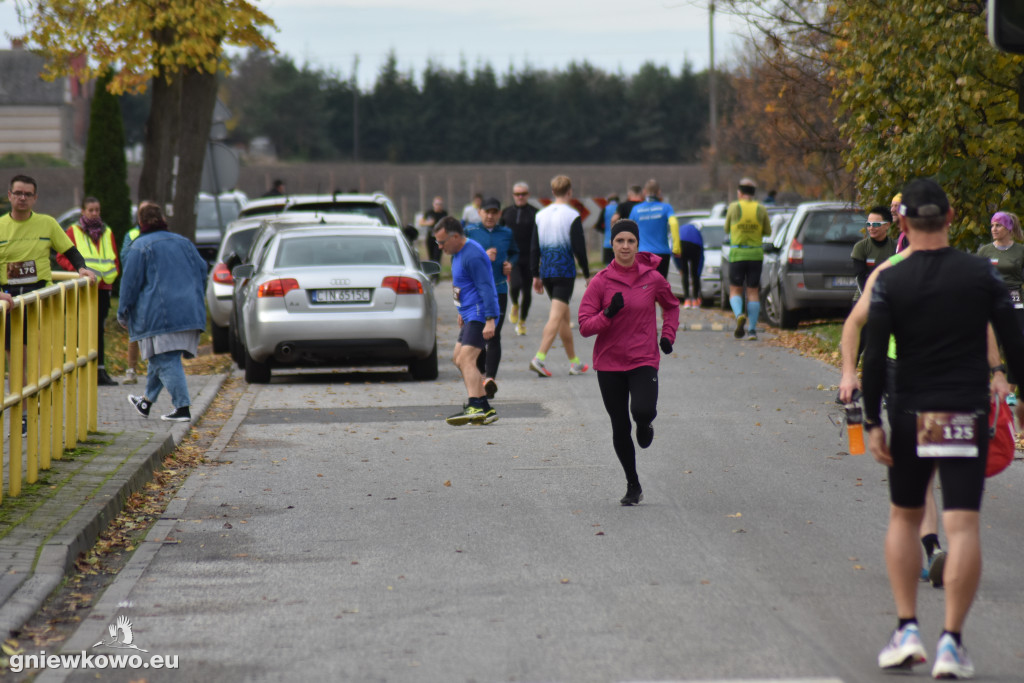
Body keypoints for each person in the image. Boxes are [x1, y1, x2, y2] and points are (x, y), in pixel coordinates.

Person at [862, 178, 1024, 678]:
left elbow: (874, 354)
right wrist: (1014, 393)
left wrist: (870, 420)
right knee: (963, 524)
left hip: (911, 412)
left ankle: (907, 628)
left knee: (905, 518)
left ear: (903, 224)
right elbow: (1014, 343)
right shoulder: (983, 274)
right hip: (965, 413)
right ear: (951, 218)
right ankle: (951, 641)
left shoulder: (891, 277)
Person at [579, 219, 679, 505]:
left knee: (643, 410)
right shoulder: (601, 282)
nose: (625, 246)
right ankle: (633, 484)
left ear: (637, 245)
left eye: (630, 241)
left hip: (643, 358)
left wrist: (668, 336)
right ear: (612, 244)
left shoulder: (653, 278)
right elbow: (585, 326)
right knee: (619, 425)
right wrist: (608, 313)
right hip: (609, 364)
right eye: (620, 241)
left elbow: (671, 307)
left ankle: (645, 425)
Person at [118, 204, 207, 423]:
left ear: (140, 222)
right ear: (163, 219)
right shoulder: (184, 242)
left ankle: (182, 408)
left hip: (158, 315)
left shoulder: (139, 247)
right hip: (189, 311)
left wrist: (123, 312)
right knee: (161, 357)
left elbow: (130, 284)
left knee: (164, 359)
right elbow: (203, 269)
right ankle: (146, 402)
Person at [432, 216, 499, 426]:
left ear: (455, 236)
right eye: (437, 243)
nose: (440, 247)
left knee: (466, 359)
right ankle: (485, 409)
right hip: (469, 312)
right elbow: (463, 284)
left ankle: (475, 405)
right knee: (457, 358)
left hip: (480, 313)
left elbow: (486, 287)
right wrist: (460, 308)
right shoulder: (457, 253)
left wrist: (490, 319)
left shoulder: (473, 254)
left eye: (442, 242)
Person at [528, 175, 591, 378]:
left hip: (546, 271)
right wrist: (587, 273)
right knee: (556, 316)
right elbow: (579, 248)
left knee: (563, 317)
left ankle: (575, 363)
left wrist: (535, 274)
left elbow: (534, 247)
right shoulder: (572, 215)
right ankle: (539, 357)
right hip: (564, 271)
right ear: (570, 192)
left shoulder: (540, 215)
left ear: (553, 192)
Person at [55, 197, 121, 386]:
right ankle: (80, 369)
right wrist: (77, 271)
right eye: (91, 210)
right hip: (83, 287)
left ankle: (100, 370)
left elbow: (113, 257)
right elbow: (62, 256)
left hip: (103, 287)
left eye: (97, 210)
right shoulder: (73, 231)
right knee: (81, 329)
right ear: (83, 211)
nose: (94, 213)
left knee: (99, 329)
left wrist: (113, 274)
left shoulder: (107, 232)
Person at [466, 197, 518, 399]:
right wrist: (483, 257)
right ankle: (483, 374)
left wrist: (509, 264)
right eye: (487, 212)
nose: (490, 216)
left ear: (499, 214)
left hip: (499, 290)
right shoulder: (471, 233)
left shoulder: (506, 233)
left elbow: (514, 252)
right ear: (480, 213)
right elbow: (461, 258)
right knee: (479, 335)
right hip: (476, 292)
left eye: (494, 212)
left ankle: (490, 380)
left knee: (494, 334)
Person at [724, 177, 771, 341]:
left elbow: (726, 228)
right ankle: (752, 330)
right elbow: (768, 231)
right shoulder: (761, 208)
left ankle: (739, 315)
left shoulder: (734, 207)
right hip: (755, 254)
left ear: (739, 192)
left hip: (737, 253)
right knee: (753, 291)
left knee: (735, 289)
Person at [119, 200, 156, 385]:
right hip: (139, 288)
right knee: (135, 331)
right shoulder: (132, 234)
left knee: (155, 330)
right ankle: (131, 369)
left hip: (153, 287)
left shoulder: (160, 234)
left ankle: (154, 370)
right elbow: (126, 258)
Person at [500, 182, 537, 336]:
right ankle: (514, 303)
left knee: (527, 292)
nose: (520, 197)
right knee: (515, 285)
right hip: (512, 257)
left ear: (528, 195)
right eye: (517, 194)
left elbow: (538, 237)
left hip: (529, 256)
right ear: (513, 195)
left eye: (523, 194)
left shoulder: (535, 213)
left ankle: (522, 322)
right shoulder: (506, 212)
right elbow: (500, 234)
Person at [628, 179, 676, 279]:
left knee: (645, 286)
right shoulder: (667, 208)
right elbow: (674, 223)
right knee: (660, 286)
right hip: (662, 253)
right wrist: (676, 247)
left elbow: (629, 230)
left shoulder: (636, 209)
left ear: (644, 192)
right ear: (659, 192)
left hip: (643, 254)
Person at [851, 206, 897, 301]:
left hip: (888, 299)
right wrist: (868, 298)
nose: (871, 228)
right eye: (868, 224)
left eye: (876, 224)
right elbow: (860, 277)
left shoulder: (895, 247)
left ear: (887, 225)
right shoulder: (861, 247)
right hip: (863, 299)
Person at [673, 220, 704, 308]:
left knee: (685, 273)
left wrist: (679, 268)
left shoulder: (680, 229)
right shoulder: (697, 232)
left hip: (682, 244)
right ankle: (695, 300)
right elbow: (702, 254)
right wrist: (699, 271)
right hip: (695, 245)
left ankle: (686, 300)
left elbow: (674, 251)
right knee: (694, 274)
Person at [418, 196, 448, 265]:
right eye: (436, 204)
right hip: (430, 237)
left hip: (440, 238)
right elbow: (421, 222)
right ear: (433, 204)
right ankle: (432, 273)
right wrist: (428, 223)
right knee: (431, 257)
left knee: (437, 256)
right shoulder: (429, 213)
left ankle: (436, 274)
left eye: (440, 204)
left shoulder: (444, 214)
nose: (438, 206)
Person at [599, 193, 619, 265]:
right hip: (620, 243)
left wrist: (605, 231)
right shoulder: (620, 208)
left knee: (608, 267)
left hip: (607, 243)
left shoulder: (605, 209)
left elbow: (598, 225)